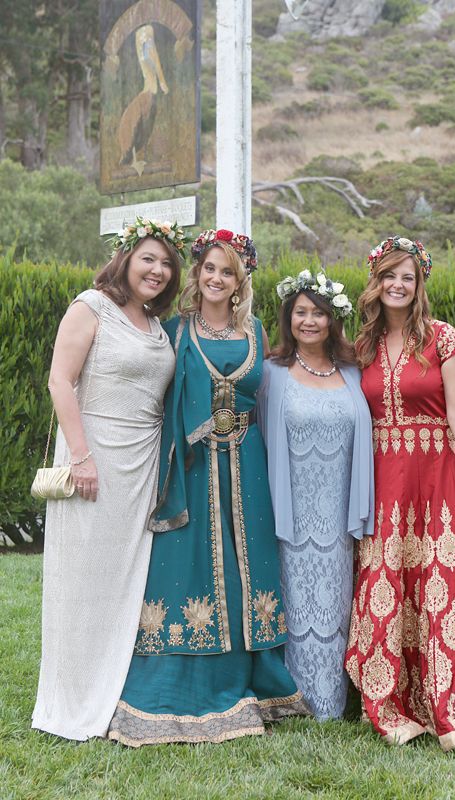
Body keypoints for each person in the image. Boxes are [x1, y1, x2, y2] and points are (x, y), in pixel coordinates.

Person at [108, 229, 309, 746]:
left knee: (248, 567)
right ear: (196, 274)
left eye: (228, 272)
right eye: (209, 269)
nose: (217, 278)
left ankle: (257, 678)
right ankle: (183, 681)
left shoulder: (257, 331)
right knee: (189, 564)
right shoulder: (172, 331)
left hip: (248, 464)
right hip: (192, 467)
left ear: (241, 281)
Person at [344, 235, 455, 750]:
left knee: (442, 582)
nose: (398, 285)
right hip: (384, 480)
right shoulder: (362, 346)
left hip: (438, 475)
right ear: (375, 282)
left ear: (419, 285)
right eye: (389, 275)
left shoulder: (443, 338)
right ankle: (392, 698)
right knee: (389, 579)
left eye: (408, 277)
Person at [32, 217, 185, 740]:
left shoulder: (156, 325)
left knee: (126, 580)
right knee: (84, 577)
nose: (158, 271)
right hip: (95, 454)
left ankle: (116, 688)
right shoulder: (91, 306)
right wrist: (81, 457)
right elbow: (60, 380)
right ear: (125, 259)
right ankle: (74, 696)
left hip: (142, 464)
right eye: (148, 259)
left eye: (166, 264)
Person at [256, 270, 374, 720]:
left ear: (332, 320)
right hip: (290, 509)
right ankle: (292, 697)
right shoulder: (271, 373)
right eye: (300, 312)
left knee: (337, 600)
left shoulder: (352, 372)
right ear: (288, 318)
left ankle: (335, 698)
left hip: (340, 511)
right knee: (294, 599)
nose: (309, 321)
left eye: (318, 313)